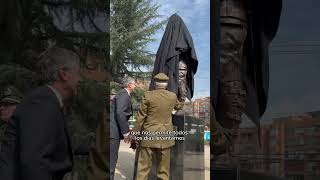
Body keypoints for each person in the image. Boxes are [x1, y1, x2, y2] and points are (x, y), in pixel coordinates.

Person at [0, 47, 81, 180]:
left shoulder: (47, 100)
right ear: (64, 74)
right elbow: (34, 163)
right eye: (78, 73)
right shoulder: (42, 102)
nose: (80, 79)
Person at [132, 73, 183, 180]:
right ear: (166, 84)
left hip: (148, 135)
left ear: (155, 83)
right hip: (165, 136)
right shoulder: (172, 96)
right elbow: (179, 106)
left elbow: (140, 117)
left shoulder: (148, 95)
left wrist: (135, 134)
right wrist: (181, 99)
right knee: (163, 170)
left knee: (143, 169)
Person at [110, 77, 136, 180]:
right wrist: (126, 133)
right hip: (113, 132)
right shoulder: (123, 94)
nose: (135, 85)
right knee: (111, 164)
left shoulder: (122, 94)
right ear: (129, 85)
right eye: (134, 83)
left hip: (113, 131)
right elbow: (120, 113)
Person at [0, 86, 23, 150]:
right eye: (1, 104)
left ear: (18, 107)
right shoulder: (3, 129)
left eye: (6, 105)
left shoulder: (28, 129)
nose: (1, 108)